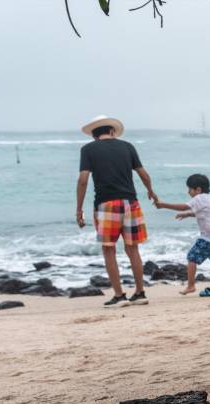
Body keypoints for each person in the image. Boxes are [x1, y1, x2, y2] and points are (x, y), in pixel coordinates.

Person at [76, 115, 158, 308]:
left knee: (109, 250)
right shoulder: (127, 146)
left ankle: (119, 296)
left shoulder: (88, 149)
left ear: (94, 135)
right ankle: (140, 293)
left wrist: (79, 209)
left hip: (106, 205)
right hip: (131, 203)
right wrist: (151, 192)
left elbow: (83, 180)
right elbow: (144, 174)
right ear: (112, 131)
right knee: (133, 249)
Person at [154, 174, 210, 296]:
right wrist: (188, 214)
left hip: (209, 238)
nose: (188, 192)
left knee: (192, 257)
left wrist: (162, 205)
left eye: (190, 189)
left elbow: (183, 206)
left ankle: (191, 286)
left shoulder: (199, 198)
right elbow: (204, 213)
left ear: (198, 189)